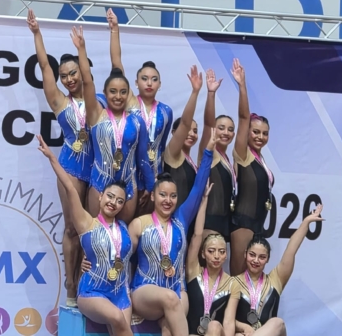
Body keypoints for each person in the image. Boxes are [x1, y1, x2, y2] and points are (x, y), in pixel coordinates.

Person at [27, 9, 105, 306]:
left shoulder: (100, 100)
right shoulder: (59, 102)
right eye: (64, 76)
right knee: (72, 227)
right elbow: (44, 66)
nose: (69, 79)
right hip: (71, 168)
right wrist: (37, 34)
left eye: (74, 73)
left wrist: (81, 49)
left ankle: (89, 283)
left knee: (93, 229)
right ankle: (71, 286)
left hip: (97, 171)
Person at [36, 135, 133, 336]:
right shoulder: (86, 222)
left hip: (121, 295)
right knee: (117, 318)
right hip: (92, 292)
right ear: (100, 196)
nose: (113, 202)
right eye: (110, 196)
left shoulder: (124, 228)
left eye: (120, 201)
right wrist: (51, 157)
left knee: (120, 327)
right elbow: (70, 189)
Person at [128, 129, 216, 336]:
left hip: (177, 288)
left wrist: (209, 151)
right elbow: (121, 257)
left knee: (169, 327)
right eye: (163, 195)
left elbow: (198, 188)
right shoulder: (139, 224)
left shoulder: (181, 219)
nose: (168, 200)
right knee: (170, 299)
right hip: (145, 290)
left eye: (173, 196)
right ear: (153, 196)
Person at [70, 25, 155, 224]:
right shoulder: (96, 115)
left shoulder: (137, 121)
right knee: (96, 234)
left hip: (129, 187)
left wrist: (150, 185)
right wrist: (81, 50)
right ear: (105, 93)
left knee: (122, 236)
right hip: (99, 183)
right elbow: (87, 81)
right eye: (113, 92)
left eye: (123, 92)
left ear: (129, 94)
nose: (118, 96)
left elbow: (143, 158)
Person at [107, 8, 173, 214]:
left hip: (154, 176)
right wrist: (115, 29)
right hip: (130, 174)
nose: (149, 83)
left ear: (160, 84)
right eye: (144, 79)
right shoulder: (131, 103)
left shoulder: (166, 112)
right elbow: (117, 64)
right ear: (136, 83)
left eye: (154, 79)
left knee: (148, 225)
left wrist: (154, 182)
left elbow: (161, 146)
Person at [228, 204, 324, 336]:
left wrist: (306, 222)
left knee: (277, 322)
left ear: (268, 259)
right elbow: (226, 319)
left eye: (262, 257)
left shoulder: (276, 279)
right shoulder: (232, 283)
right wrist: (242, 327)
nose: (256, 260)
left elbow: (291, 249)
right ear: (245, 254)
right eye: (252, 255)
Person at [230, 58, 273, 276]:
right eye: (255, 132)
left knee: (250, 282)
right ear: (246, 133)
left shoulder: (260, 160)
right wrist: (242, 85)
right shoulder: (243, 155)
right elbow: (243, 117)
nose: (260, 136)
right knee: (238, 279)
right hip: (243, 225)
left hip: (257, 225)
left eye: (264, 133)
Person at [185, 181, 235, 336]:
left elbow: (228, 322)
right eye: (211, 251)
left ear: (226, 255)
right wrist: (204, 201)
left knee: (214, 326)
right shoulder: (194, 272)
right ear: (203, 254)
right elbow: (197, 235)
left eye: (221, 251)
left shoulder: (232, 283)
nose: (216, 256)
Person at [197, 69, 235, 243]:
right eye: (221, 128)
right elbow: (208, 124)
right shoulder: (210, 153)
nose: (226, 132)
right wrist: (211, 94)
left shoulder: (227, 159)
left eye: (230, 129)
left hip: (225, 222)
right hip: (208, 221)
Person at [162, 66, 203, 209]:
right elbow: (185, 123)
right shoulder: (172, 153)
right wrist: (195, 92)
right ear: (174, 133)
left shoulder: (190, 161)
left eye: (195, 131)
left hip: (188, 218)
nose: (191, 134)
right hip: (172, 217)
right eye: (188, 130)